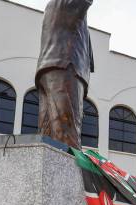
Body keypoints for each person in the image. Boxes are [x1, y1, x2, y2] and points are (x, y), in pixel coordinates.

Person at [36, 0, 95, 149]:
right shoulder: (66, 3)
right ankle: (71, 172)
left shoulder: (54, 6)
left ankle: (51, 170)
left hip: (50, 69)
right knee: (68, 136)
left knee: (49, 136)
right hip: (66, 67)